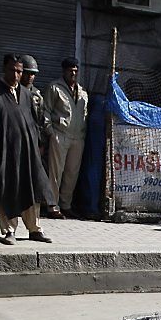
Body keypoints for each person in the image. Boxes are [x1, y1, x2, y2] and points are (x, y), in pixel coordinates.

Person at [0, 53, 53, 245]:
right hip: (5, 151)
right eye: (12, 70)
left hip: (28, 152)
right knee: (7, 189)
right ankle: (9, 230)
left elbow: (34, 122)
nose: (16, 75)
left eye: (19, 71)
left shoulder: (27, 94)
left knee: (32, 187)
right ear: (4, 68)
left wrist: (37, 144)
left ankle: (34, 229)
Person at [44, 57, 88, 219]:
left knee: (72, 173)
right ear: (64, 71)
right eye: (70, 70)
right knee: (55, 172)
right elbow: (46, 110)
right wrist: (50, 133)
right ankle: (52, 205)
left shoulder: (82, 92)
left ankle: (66, 204)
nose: (73, 73)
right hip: (60, 134)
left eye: (76, 70)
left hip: (77, 137)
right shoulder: (55, 88)